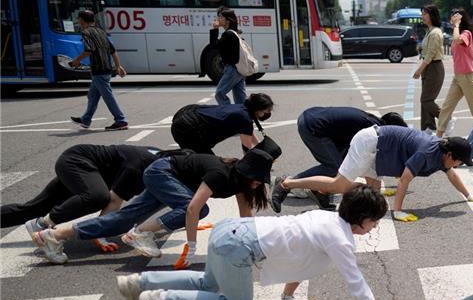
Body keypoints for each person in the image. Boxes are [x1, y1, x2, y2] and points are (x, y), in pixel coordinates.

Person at [115, 185, 410, 300]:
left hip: (231, 230)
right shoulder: (340, 240)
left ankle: (139, 283)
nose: (373, 227)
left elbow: (303, 258)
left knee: (208, 282)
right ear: (362, 219)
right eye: (374, 222)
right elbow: (354, 279)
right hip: (239, 247)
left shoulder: (326, 219)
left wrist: (289, 297)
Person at [32, 148, 272, 266]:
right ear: (246, 173)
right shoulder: (221, 174)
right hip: (161, 172)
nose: (259, 182)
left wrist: (253, 247)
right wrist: (190, 246)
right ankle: (139, 234)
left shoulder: (242, 183)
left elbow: (245, 218)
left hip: (170, 178)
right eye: (258, 177)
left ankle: (53, 235)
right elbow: (191, 210)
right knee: (200, 209)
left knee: (121, 220)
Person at [272, 124, 473, 223]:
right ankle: (287, 183)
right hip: (370, 143)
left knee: (372, 195)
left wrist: (468, 196)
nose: (457, 165)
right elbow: (404, 181)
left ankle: (346, 215)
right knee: (339, 185)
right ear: (449, 154)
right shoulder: (427, 152)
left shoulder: (443, 155)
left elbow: (452, 175)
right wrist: (398, 211)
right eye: (458, 160)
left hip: (378, 150)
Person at [2, 144, 160, 253]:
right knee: (97, 197)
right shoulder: (139, 168)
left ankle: (40, 221)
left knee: (33, 209)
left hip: (89, 172)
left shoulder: (161, 160)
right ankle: (42, 224)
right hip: (77, 162)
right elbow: (114, 200)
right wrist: (100, 234)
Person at [270, 107, 404, 213]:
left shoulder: (372, 122)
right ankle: (287, 183)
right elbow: (371, 162)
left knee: (339, 166)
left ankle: (320, 191)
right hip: (314, 127)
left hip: (313, 120)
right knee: (335, 168)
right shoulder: (373, 129)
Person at [68, 10, 129, 131]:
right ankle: (86, 119)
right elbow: (113, 51)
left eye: (79, 19)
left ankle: (121, 120)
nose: (78, 21)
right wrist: (118, 66)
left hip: (99, 69)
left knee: (108, 96)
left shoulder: (86, 33)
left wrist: (76, 61)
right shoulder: (102, 32)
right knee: (93, 95)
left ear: (82, 20)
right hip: (106, 68)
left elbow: (88, 50)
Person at [170, 93, 273, 155]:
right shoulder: (244, 118)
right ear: (257, 109)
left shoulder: (243, 109)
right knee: (206, 165)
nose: (268, 114)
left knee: (199, 157)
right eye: (266, 111)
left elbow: (248, 132)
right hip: (187, 127)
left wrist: (261, 147)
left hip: (187, 113)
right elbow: (247, 150)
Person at [436, 9, 473, 138]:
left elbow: (457, 40)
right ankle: (438, 135)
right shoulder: (457, 32)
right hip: (458, 76)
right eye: (452, 17)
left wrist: (456, 25)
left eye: (454, 17)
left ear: (460, 19)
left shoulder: (466, 33)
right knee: (447, 106)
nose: (451, 19)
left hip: (467, 75)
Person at [413, 5, 445, 132]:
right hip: (429, 68)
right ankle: (428, 128)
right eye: (422, 14)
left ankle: (445, 119)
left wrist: (419, 69)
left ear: (432, 15)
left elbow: (431, 55)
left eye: (425, 14)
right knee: (425, 101)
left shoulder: (435, 33)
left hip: (434, 67)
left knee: (426, 100)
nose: (422, 16)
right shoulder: (429, 32)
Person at [213, 9, 248, 106]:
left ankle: (228, 114)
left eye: (221, 17)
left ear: (227, 20)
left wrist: (215, 29)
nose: (218, 19)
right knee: (240, 98)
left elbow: (214, 46)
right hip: (239, 69)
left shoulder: (228, 34)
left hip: (232, 69)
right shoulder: (233, 33)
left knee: (219, 94)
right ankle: (244, 117)